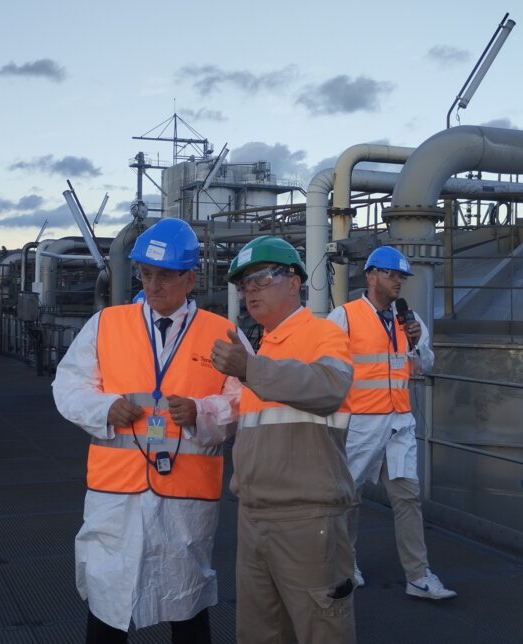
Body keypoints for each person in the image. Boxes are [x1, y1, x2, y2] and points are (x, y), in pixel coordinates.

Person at [52, 218, 243, 643]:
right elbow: (68, 385)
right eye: (146, 274)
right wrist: (103, 408)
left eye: (165, 276)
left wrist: (200, 411)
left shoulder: (221, 334)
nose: (153, 285)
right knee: (108, 599)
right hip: (115, 494)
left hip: (185, 498)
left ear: (190, 278)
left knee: (187, 600)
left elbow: (243, 399)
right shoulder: (106, 324)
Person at [211, 235, 357, 644]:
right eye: (244, 285)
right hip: (254, 514)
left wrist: (251, 369)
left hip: (306, 518)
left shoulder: (321, 334)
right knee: (260, 632)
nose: (249, 291)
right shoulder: (265, 346)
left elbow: (330, 387)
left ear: (294, 282)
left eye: (259, 279)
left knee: (320, 630)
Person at [327, 246, 456, 600]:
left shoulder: (409, 320)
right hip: (361, 424)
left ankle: (418, 575)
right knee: (348, 498)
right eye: (392, 274)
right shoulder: (345, 317)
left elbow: (423, 366)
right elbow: (326, 369)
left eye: (401, 276)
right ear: (371, 276)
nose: (398, 281)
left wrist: (416, 344)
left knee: (407, 498)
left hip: (399, 423)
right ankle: (343, 565)